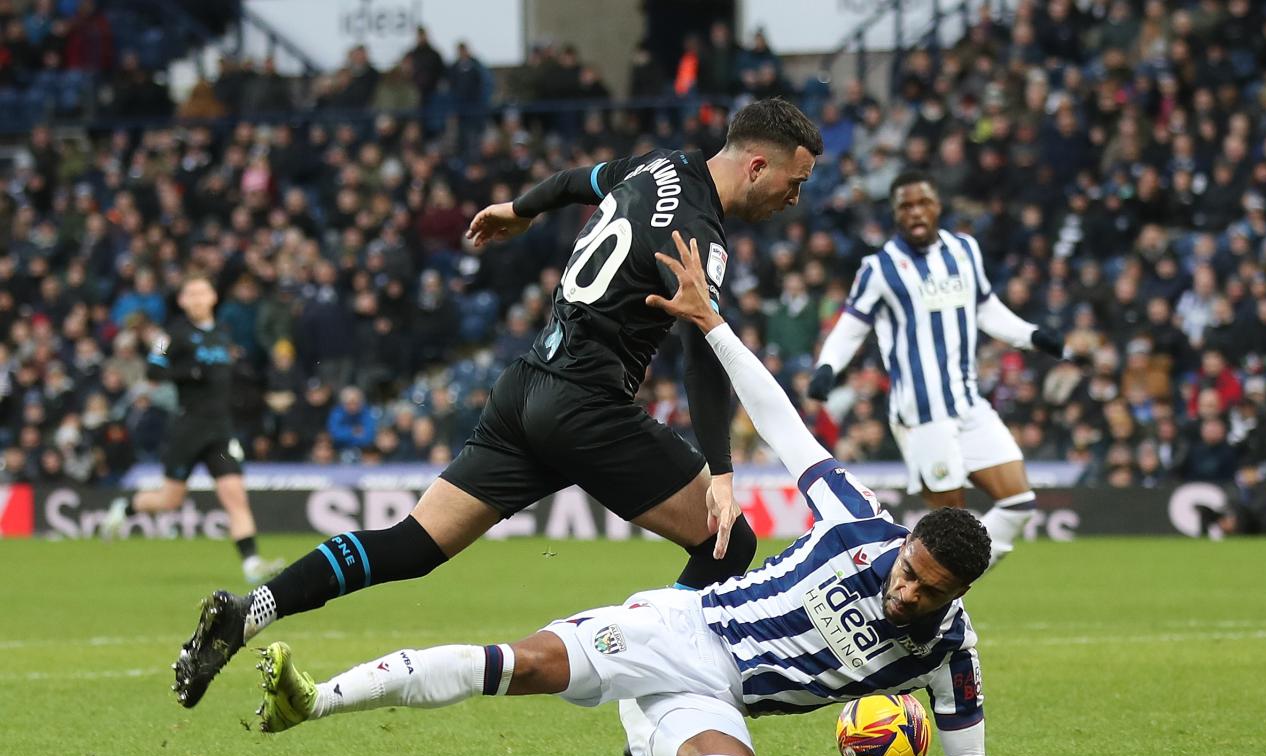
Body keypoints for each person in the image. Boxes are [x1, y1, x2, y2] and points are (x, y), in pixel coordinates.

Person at [253, 233, 991, 756]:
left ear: (956, 594)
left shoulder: (951, 651)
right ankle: (314, 700)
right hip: (679, 627)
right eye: (908, 571)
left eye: (928, 593)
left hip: (715, 703)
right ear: (907, 544)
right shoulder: (858, 522)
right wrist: (715, 325)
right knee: (521, 667)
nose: (906, 592)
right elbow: (784, 424)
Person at [171, 99, 824, 708]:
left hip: (527, 388)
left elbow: (581, 178)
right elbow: (703, 347)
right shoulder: (698, 232)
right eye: (793, 184)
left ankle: (249, 610)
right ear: (757, 164)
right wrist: (723, 472)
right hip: (586, 407)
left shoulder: (663, 166)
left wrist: (520, 206)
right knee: (729, 540)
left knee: (413, 544)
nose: (794, 201)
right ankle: (657, 696)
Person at [808, 170, 1069, 566]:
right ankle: (930, 598)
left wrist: (1030, 335)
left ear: (937, 207)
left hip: (969, 404)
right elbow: (851, 325)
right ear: (895, 214)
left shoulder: (965, 250)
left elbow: (985, 308)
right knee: (950, 527)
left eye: (922, 203)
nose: (915, 212)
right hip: (922, 413)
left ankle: (943, 586)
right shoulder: (879, 268)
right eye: (905, 206)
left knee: (1019, 503)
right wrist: (827, 366)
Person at [101, 275, 283, 584]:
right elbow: (153, 369)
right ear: (183, 301)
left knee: (235, 495)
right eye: (190, 294)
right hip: (188, 428)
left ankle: (252, 563)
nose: (197, 299)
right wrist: (188, 372)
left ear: (213, 297)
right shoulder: (168, 335)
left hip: (221, 430)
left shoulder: (224, 334)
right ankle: (125, 506)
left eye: (202, 292)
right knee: (170, 500)